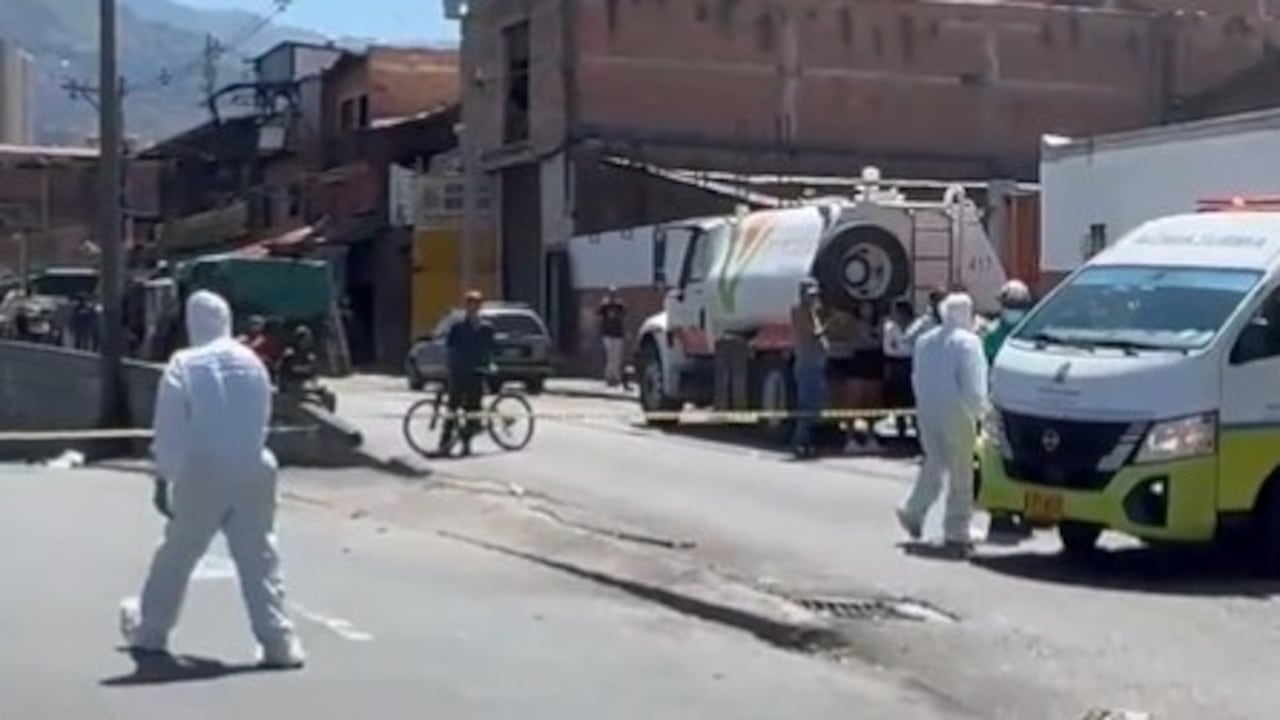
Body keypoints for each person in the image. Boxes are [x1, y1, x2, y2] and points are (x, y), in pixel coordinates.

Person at [120, 290, 305, 668]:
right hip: (254, 465)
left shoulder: (184, 363)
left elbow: (169, 429)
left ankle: (151, 632)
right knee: (260, 556)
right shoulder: (252, 361)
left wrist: (164, 478)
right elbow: (262, 415)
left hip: (203, 468)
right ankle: (279, 644)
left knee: (177, 553)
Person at [896, 292, 989, 557]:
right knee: (962, 471)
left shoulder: (925, 341)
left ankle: (913, 510)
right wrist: (980, 413)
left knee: (934, 462)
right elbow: (974, 384)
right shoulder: (969, 343)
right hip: (957, 411)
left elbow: (916, 377)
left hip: (927, 409)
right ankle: (957, 528)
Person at [440, 290, 496, 457]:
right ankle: (444, 442)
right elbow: (450, 348)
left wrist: (490, 364)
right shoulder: (458, 327)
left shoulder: (486, 328)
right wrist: (449, 366)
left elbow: (490, 349)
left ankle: (466, 443)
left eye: (476, 304)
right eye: (470, 304)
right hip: (459, 371)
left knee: (472, 409)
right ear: (466, 306)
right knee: (453, 407)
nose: (473, 308)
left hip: (477, 372)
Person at [790, 279, 827, 459]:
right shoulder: (799, 311)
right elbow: (811, 334)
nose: (813, 298)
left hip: (816, 363)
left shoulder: (813, 313)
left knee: (815, 407)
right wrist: (829, 326)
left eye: (815, 295)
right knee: (806, 406)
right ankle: (800, 442)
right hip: (807, 364)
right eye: (810, 295)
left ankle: (809, 443)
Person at [882, 299, 916, 439]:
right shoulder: (890, 327)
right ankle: (900, 430)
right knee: (898, 399)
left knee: (913, 399)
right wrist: (903, 349)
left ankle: (917, 430)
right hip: (896, 365)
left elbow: (914, 347)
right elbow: (888, 349)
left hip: (911, 364)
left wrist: (900, 347)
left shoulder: (915, 326)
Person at [983, 279, 1033, 364]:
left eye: (1018, 306)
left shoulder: (1033, 333)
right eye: (1010, 305)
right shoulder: (992, 332)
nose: (1013, 310)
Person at [277, 325, 319, 396]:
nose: (307, 341)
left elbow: (313, 366)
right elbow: (283, 366)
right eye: (304, 339)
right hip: (291, 379)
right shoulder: (290, 351)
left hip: (303, 378)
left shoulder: (308, 353)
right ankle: (284, 388)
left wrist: (309, 366)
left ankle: (314, 386)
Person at [598, 288, 627, 388]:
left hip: (618, 334)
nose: (612, 297)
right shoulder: (605, 306)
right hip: (607, 334)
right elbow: (599, 314)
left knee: (617, 357)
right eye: (611, 294)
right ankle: (609, 377)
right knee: (610, 356)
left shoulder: (619, 305)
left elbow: (624, 315)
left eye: (614, 294)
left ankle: (616, 377)